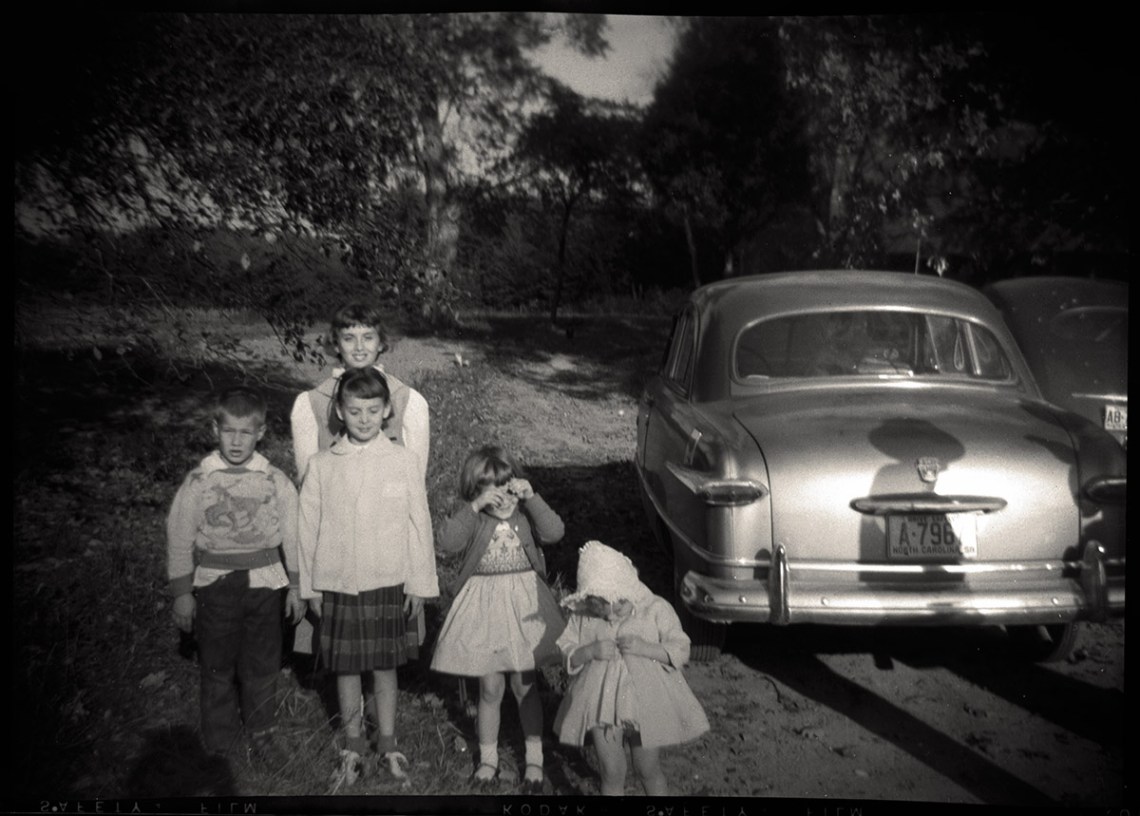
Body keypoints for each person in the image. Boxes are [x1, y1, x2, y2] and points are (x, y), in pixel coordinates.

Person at [298, 367, 438, 787]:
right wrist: (310, 588)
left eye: (372, 411)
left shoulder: (403, 460)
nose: (363, 419)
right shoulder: (322, 465)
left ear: (387, 411)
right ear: (339, 412)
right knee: (346, 668)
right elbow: (307, 530)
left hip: (388, 579)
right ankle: (353, 745)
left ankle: (389, 743)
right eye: (355, 410)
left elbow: (420, 524)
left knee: (384, 666)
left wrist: (418, 581)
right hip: (338, 582)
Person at [166, 386, 305, 766]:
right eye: (229, 431)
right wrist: (182, 592)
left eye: (246, 432)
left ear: (261, 433)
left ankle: (263, 732)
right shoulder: (199, 481)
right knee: (217, 665)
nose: (237, 441)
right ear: (216, 429)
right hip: (215, 587)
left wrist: (296, 586)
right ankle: (219, 742)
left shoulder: (275, 481)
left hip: (265, 586)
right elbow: (178, 536)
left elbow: (293, 536)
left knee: (263, 663)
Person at [290, 300, 431, 657]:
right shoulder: (311, 403)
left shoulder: (409, 400)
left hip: (388, 540)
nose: (358, 347)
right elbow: (308, 482)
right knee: (345, 649)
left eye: (367, 337)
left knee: (384, 648)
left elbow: (417, 482)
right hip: (339, 539)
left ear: (381, 342)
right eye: (348, 338)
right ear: (335, 343)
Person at [430, 445, 565, 793]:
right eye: (489, 491)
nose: (502, 498)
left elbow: (555, 532)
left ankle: (534, 758)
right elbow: (447, 542)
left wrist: (532, 498)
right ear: (475, 493)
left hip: (523, 609)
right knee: (490, 688)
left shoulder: (524, 517)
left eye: (507, 487)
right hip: (485, 610)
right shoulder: (478, 519)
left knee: (525, 686)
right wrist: (473, 508)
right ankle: (488, 759)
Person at [553, 541, 710, 796]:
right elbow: (566, 647)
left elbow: (681, 648)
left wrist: (646, 648)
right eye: (604, 608)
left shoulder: (655, 609)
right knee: (612, 770)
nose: (613, 614)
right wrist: (589, 651)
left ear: (629, 587)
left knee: (646, 768)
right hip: (600, 702)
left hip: (645, 701)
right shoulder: (585, 616)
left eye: (620, 605)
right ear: (591, 601)